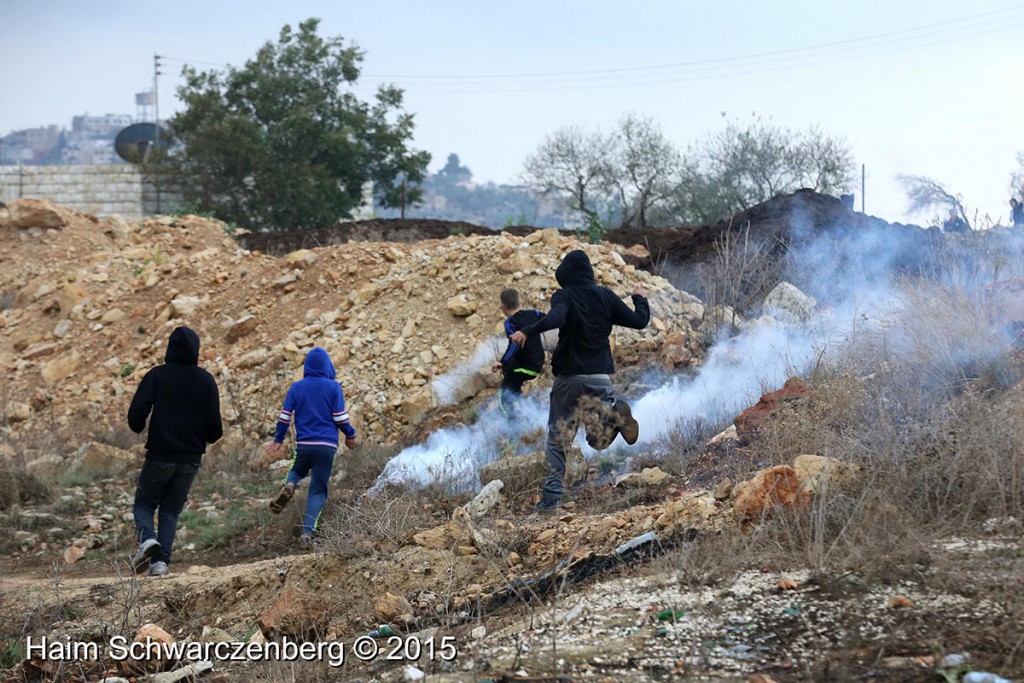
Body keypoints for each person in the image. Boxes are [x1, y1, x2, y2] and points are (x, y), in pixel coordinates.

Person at [510, 249, 650, 512]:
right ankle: (612, 413)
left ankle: (551, 501)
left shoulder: (565, 295)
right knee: (597, 441)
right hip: (600, 379)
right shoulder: (606, 296)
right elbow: (639, 321)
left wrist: (528, 331)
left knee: (558, 441)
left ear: (567, 273)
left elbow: (556, 318)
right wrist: (640, 298)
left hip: (569, 381)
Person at [127, 326, 222, 576]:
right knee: (170, 510)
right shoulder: (206, 380)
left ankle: (147, 539)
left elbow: (136, 415)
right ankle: (160, 563)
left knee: (144, 504)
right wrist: (202, 435)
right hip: (190, 458)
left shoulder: (157, 376)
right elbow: (215, 429)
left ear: (170, 348)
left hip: (160, 454)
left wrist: (139, 425)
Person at [265, 347, 357, 545]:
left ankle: (290, 485)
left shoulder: (297, 388)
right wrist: (351, 435)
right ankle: (307, 533)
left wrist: (278, 440)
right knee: (318, 489)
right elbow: (340, 418)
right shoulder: (334, 388)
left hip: (305, 444)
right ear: (327, 366)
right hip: (326, 446)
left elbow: (284, 417)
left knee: (296, 470)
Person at [491, 288, 545, 417]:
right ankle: (529, 417)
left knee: (505, 398)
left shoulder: (510, 323)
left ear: (502, 305)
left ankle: (514, 431)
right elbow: (550, 319)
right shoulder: (534, 313)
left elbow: (514, 345)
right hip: (537, 364)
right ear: (518, 301)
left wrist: (502, 362)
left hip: (524, 366)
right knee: (514, 390)